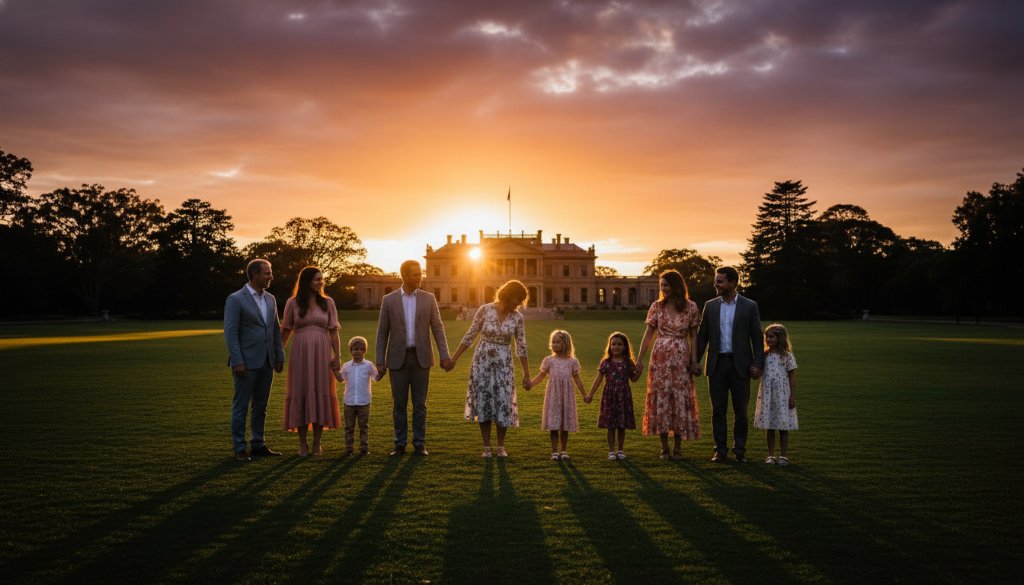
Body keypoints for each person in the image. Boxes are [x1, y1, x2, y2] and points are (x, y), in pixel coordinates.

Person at [375, 260, 452, 456]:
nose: (420, 277)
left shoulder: (429, 298)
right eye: (415, 274)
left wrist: (444, 355)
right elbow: (382, 331)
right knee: (398, 405)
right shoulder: (389, 300)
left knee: (420, 404)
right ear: (405, 276)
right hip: (397, 359)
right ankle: (399, 445)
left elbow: (437, 327)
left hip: (421, 358)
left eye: (420, 274)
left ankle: (419, 444)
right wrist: (380, 361)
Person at [450, 280, 532, 458]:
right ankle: (486, 446)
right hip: (483, 360)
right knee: (484, 400)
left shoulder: (517, 318)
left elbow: (521, 347)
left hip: (504, 362)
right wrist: (454, 359)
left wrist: (527, 374)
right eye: (517, 300)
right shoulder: (485, 310)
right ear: (508, 295)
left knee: (503, 401)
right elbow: (470, 336)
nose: (518, 305)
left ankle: (501, 446)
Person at [694, 266, 765, 463]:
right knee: (718, 411)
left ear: (733, 282)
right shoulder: (710, 305)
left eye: (720, 281)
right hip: (716, 365)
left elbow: (757, 338)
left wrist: (758, 364)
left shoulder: (750, 306)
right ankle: (721, 450)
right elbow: (703, 337)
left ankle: (740, 450)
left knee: (741, 411)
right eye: (716, 281)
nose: (715, 285)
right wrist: (695, 362)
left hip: (741, 365)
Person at [224, 259, 285, 461]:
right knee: (241, 406)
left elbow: (275, 329)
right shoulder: (236, 299)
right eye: (267, 273)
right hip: (245, 363)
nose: (271, 277)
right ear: (254, 275)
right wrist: (237, 361)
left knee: (261, 406)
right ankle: (240, 448)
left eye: (270, 273)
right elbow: (231, 333)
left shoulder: (271, 299)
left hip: (267, 362)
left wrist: (279, 356)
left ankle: (258, 444)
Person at [637, 270, 702, 460]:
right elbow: (649, 334)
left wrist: (694, 360)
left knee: (680, 399)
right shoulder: (656, 307)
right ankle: (664, 447)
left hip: (681, 358)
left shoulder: (690, 307)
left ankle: (678, 447)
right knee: (662, 399)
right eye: (661, 286)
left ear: (676, 286)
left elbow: (693, 336)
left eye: (666, 285)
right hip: (660, 360)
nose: (663, 289)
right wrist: (640, 358)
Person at [281, 266, 342, 457]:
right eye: (317, 279)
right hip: (300, 354)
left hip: (322, 354)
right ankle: (302, 444)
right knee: (301, 391)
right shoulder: (292, 303)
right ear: (307, 281)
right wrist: (278, 353)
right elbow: (285, 330)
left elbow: (333, 331)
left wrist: (337, 356)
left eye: (322, 279)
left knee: (321, 392)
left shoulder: (328, 302)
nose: (321, 282)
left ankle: (316, 443)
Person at [531, 330, 588, 461]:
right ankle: (554, 451)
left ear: (566, 343)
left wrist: (584, 395)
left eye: (558, 342)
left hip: (567, 396)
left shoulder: (572, 361)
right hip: (553, 395)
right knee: (554, 423)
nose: (554, 345)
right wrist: (531, 384)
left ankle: (563, 450)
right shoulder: (549, 360)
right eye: (553, 342)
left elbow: (577, 379)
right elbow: (541, 375)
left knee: (564, 424)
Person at [588, 331, 641, 461]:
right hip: (609, 396)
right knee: (611, 426)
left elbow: (633, 379)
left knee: (621, 425)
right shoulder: (605, 362)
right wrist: (590, 394)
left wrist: (639, 371)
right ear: (609, 346)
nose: (616, 347)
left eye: (619, 344)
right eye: (613, 344)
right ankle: (611, 451)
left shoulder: (628, 362)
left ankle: (620, 450)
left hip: (623, 396)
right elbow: (598, 379)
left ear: (625, 347)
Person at [754, 324, 799, 465]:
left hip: (782, 394)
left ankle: (783, 456)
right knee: (770, 425)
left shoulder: (787, 356)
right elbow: (758, 371)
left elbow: (792, 376)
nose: (768, 339)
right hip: (768, 394)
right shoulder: (764, 355)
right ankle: (771, 455)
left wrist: (792, 396)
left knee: (783, 426)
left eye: (771, 336)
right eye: (766, 336)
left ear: (780, 338)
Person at [335, 336, 378, 456]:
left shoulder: (369, 365)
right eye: (355, 349)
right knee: (349, 427)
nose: (357, 351)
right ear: (350, 351)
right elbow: (340, 379)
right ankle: (349, 449)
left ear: (364, 351)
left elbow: (376, 377)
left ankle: (364, 448)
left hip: (364, 402)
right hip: (349, 402)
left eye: (360, 349)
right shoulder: (347, 366)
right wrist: (334, 370)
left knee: (364, 427)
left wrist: (382, 370)